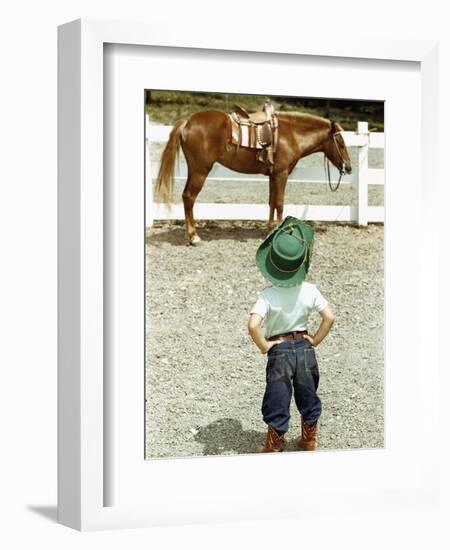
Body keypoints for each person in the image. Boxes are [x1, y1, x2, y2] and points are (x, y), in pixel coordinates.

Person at [248, 216, 335, 452]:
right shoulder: (310, 290)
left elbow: (253, 325)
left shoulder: (268, 294)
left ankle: (273, 445)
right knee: (308, 394)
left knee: (278, 396)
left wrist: (264, 345)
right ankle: (308, 439)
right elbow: (329, 317)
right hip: (305, 349)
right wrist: (315, 340)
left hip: (280, 351)